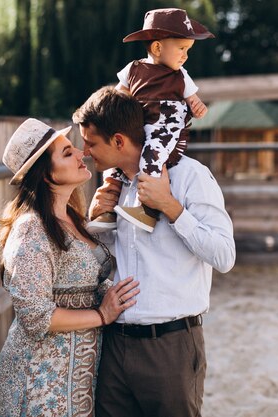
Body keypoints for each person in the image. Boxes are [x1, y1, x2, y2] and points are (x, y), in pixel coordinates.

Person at [72, 87, 236, 417]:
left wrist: (170, 207)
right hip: (114, 345)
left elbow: (224, 256)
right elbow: (103, 263)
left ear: (119, 141)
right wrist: (94, 224)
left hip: (170, 348)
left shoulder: (190, 176)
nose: (85, 152)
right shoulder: (112, 187)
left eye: (91, 142)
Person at [0, 118, 140, 417]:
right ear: (46, 175)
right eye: (67, 153)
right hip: (38, 378)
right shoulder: (31, 229)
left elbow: (90, 276)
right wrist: (102, 315)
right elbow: (35, 317)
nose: (81, 154)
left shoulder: (76, 220)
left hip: (80, 376)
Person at [87, 8, 214, 233]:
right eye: (182, 48)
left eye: (188, 50)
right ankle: (107, 209)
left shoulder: (181, 76)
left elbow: (193, 101)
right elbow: (117, 98)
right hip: (140, 124)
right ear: (157, 47)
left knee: (150, 159)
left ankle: (148, 211)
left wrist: (197, 107)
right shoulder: (133, 69)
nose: (185, 56)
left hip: (166, 125)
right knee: (115, 167)